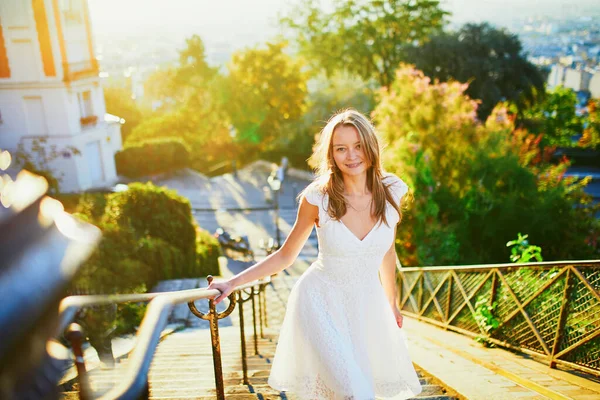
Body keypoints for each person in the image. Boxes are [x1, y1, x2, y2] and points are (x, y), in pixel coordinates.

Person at [208, 109, 423, 399]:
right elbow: (285, 256)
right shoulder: (318, 197)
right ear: (331, 155)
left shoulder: (392, 191)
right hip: (320, 302)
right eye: (341, 149)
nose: (351, 155)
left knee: (362, 388)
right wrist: (231, 283)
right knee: (353, 391)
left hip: (366, 306)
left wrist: (391, 302)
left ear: (370, 146)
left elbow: (387, 251)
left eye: (358, 145)